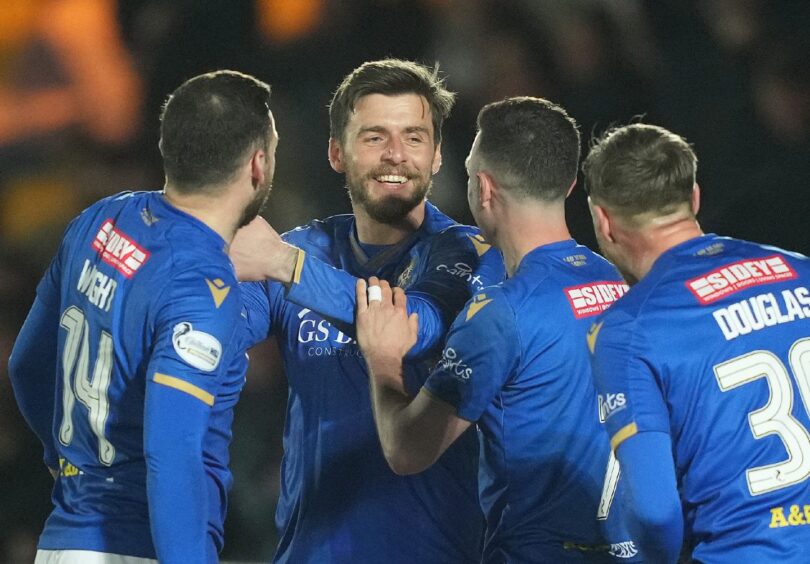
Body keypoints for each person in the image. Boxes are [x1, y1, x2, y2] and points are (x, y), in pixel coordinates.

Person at [231, 59, 505, 562]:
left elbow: (417, 325)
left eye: (414, 137)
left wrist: (280, 264)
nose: (396, 155)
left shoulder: (469, 252)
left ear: (439, 155)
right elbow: (223, 330)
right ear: (337, 153)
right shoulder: (304, 249)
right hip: (310, 551)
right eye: (374, 137)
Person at [8, 70, 278, 564]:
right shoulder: (202, 285)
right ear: (258, 164)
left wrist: (61, 459)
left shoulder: (100, 219)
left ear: (167, 146)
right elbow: (174, 458)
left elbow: (24, 365)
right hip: (136, 548)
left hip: (62, 541)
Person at [355, 97, 640, 562]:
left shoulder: (501, 313)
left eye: (468, 173)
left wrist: (383, 361)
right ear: (568, 184)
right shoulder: (614, 279)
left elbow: (408, 450)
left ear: (483, 189)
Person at [582, 123, 810, 562]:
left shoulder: (628, 330)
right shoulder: (801, 271)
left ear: (603, 220)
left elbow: (654, 511)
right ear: (695, 198)